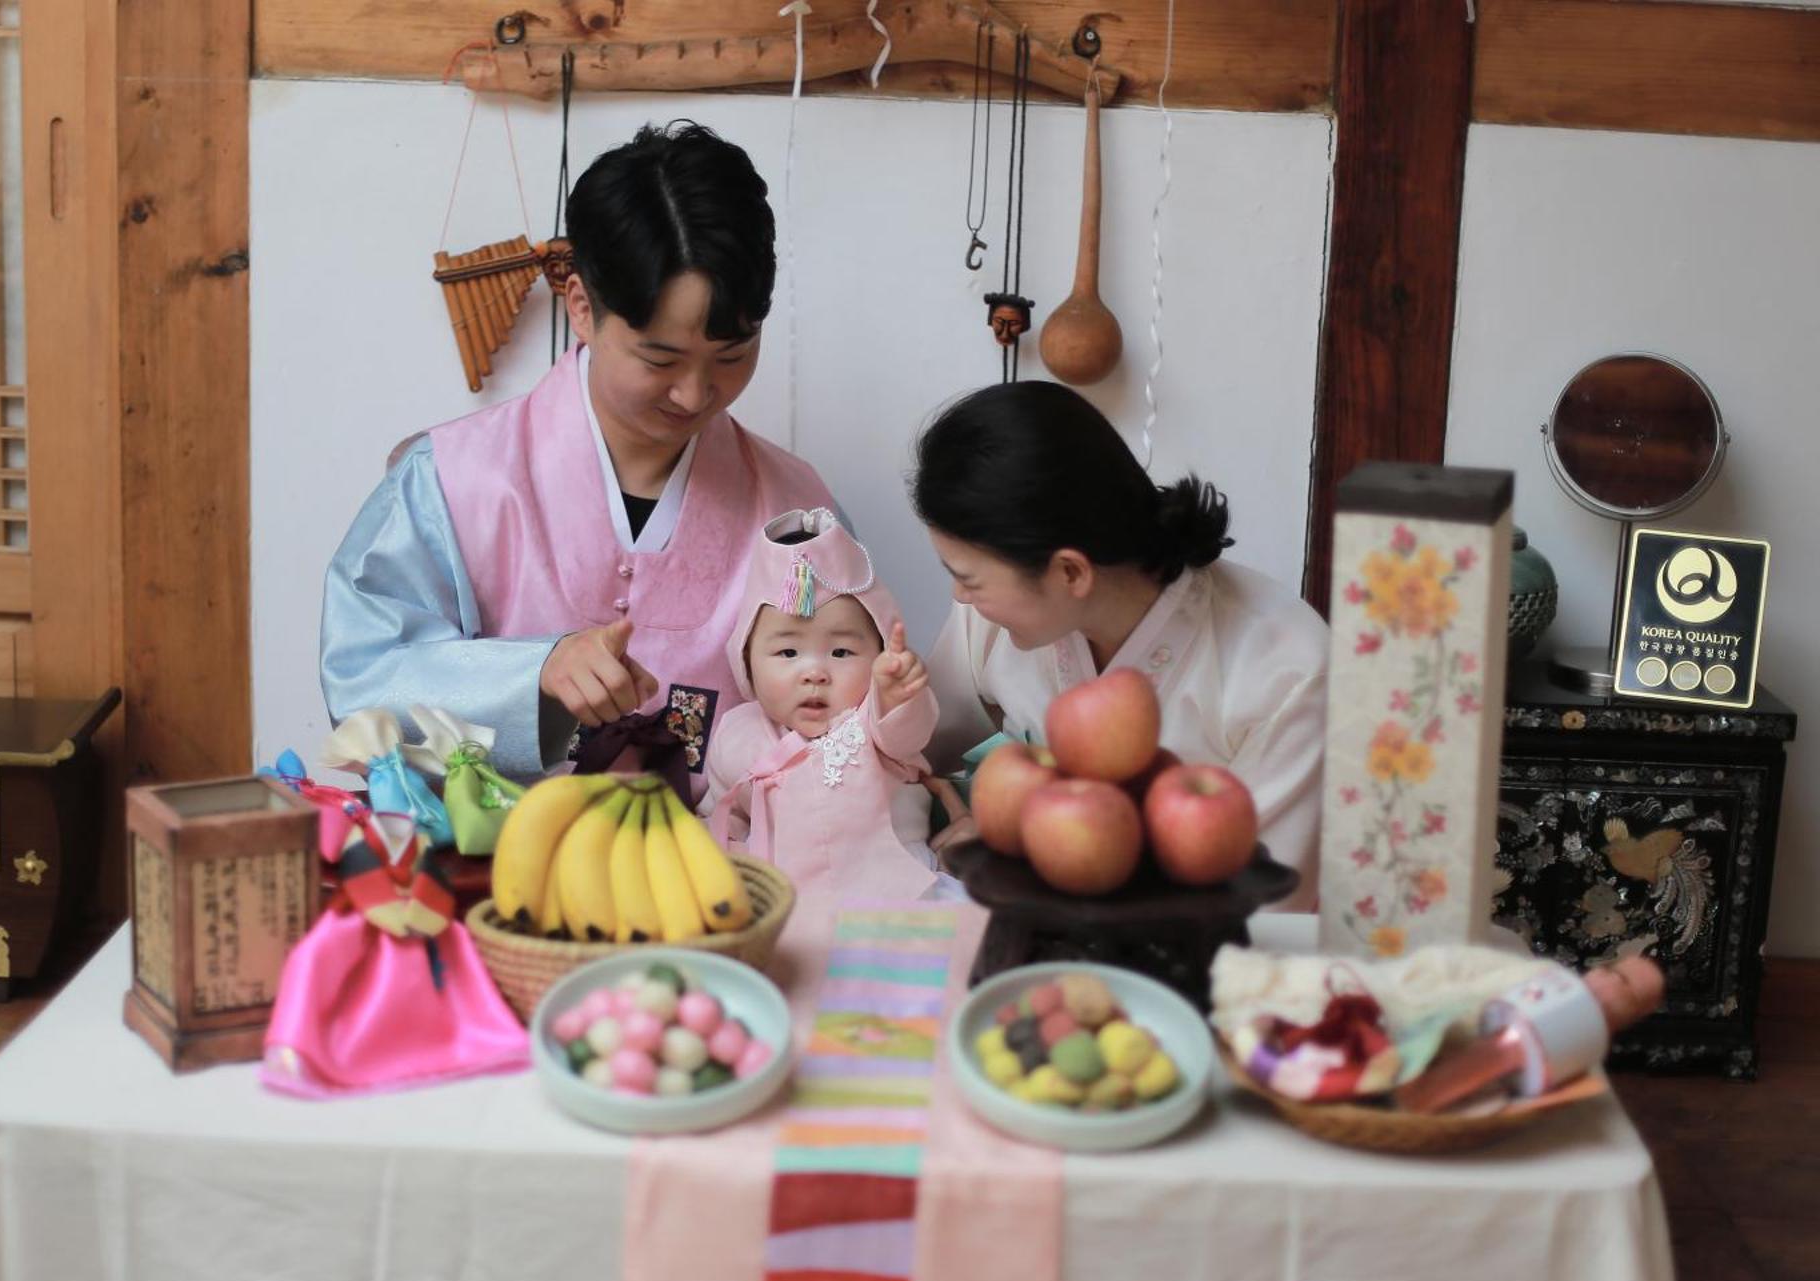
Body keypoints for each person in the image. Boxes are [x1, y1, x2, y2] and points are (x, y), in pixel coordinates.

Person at [320, 123, 836, 783]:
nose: (695, 392)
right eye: (661, 357)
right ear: (582, 308)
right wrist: (531, 674)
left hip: (731, 874)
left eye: (731, 356)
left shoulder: (796, 508)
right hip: (498, 869)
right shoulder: (452, 480)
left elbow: (853, 711)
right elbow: (362, 684)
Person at [912, 382, 1328, 909]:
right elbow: (911, 752)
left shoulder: (1287, 670)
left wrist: (1015, 863)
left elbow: (1266, 912)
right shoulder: (992, 619)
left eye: (968, 578)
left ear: (1070, 571)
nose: (959, 596)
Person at [705, 509, 966, 902]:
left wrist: (896, 694)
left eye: (841, 651)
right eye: (788, 652)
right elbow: (723, 817)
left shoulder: (873, 723)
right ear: (746, 660)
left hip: (897, 896)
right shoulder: (737, 732)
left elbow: (909, 730)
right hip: (783, 902)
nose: (814, 672)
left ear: (877, 653)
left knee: (952, 946)